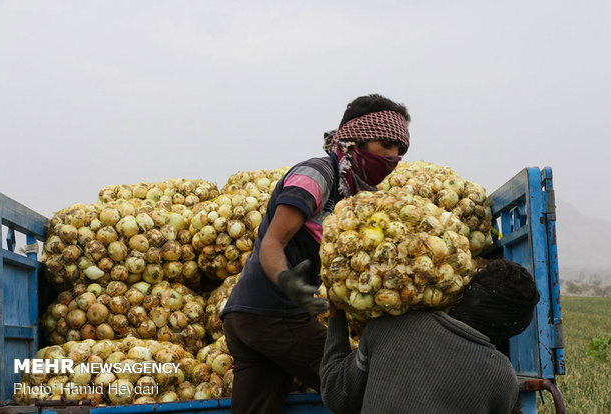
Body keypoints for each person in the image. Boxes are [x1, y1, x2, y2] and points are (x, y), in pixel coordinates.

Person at [220, 94, 411, 414]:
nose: (393, 157)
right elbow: (272, 243)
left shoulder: (362, 195)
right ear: (355, 139)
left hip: (247, 317)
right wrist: (288, 282)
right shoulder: (317, 174)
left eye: (400, 150)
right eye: (386, 145)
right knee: (358, 390)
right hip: (273, 314)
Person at [320, 258, 541, 414]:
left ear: (466, 292)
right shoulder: (502, 377)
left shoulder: (387, 327)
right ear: (514, 327)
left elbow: (336, 395)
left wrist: (336, 311)